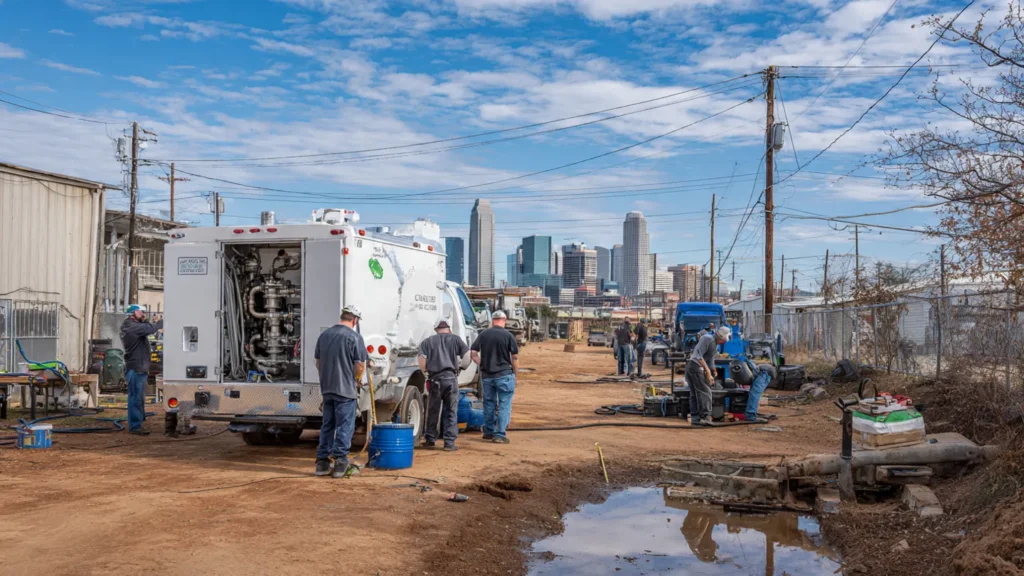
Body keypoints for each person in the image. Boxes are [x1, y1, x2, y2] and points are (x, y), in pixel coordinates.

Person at [314, 305, 368, 478]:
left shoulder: (324, 335)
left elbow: (318, 362)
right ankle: (340, 462)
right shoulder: (354, 337)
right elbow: (359, 365)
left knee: (327, 425)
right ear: (355, 320)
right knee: (344, 426)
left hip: (327, 389)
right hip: (345, 390)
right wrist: (357, 380)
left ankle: (322, 463)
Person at [418, 318, 469, 451]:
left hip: (435, 379)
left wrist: (426, 373)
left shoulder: (428, 341)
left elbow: (421, 358)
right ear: (448, 328)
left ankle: (430, 440)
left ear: (436, 330)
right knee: (451, 410)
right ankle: (449, 443)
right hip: (450, 379)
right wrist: (462, 368)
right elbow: (468, 354)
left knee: (433, 410)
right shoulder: (456, 339)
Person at [471, 310, 519, 444]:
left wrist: (482, 363)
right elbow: (514, 357)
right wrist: (515, 374)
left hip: (487, 376)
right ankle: (499, 434)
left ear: (493, 320)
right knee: (504, 404)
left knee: (489, 404)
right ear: (504, 320)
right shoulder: (508, 335)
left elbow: (473, 353)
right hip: (504, 374)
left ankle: (488, 432)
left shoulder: (483, 334)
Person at [119, 304, 162, 436]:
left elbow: (147, 328)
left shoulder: (131, 325)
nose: (143, 314)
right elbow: (151, 328)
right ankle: (135, 426)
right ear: (133, 313)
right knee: (135, 397)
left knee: (139, 397)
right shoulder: (131, 326)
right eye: (141, 312)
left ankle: (138, 421)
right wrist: (159, 322)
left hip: (139, 367)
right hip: (136, 367)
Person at [686, 326, 732, 427]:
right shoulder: (708, 338)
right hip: (695, 367)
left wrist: (713, 370)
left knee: (696, 393)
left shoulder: (714, 343)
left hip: (694, 367)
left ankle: (695, 418)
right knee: (705, 392)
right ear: (722, 337)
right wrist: (708, 372)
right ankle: (705, 418)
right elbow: (698, 356)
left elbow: (710, 359)